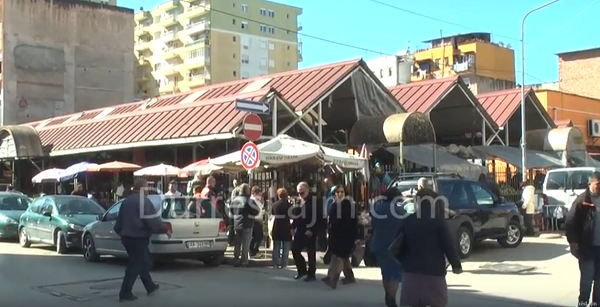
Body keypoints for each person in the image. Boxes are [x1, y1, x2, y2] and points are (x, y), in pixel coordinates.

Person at [398, 178, 462, 307]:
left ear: (417, 201)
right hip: (434, 273)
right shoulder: (438, 222)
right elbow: (448, 246)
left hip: (411, 273)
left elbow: (398, 244)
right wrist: (456, 265)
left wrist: (403, 261)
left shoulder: (407, 220)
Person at [113, 179, 171, 302]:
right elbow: (152, 221)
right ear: (142, 189)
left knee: (142, 262)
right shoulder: (144, 202)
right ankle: (125, 292)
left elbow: (118, 223)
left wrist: (123, 233)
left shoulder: (126, 202)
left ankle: (150, 286)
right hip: (138, 238)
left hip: (127, 238)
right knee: (135, 265)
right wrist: (165, 229)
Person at [565, 171, 600, 307]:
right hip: (586, 248)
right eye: (598, 184)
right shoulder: (582, 201)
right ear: (590, 184)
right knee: (586, 279)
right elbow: (570, 224)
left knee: (599, 280)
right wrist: (574, 245)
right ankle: (583, 303)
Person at [370, 186, 407, 307]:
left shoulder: (377, 208)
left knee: (385, 272)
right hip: (394, 247)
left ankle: (388, 296)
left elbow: (373, 225)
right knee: (395, 274)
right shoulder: (400, 211)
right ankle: (391, 298)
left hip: (379, 244)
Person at [323, 185, 358, 289]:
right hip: (339, 235)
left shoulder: (347, 205)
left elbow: (351, 221)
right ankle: (349, 277)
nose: (340, 194)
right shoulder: (337, 204)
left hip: (343, 235)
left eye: (342, 192)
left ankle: (333, 279)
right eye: (337, 192)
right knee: (344, 257)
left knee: (338, 258)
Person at [291, 182, 318, 282]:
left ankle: (311, 274)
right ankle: (301, 270)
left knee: (310, 252)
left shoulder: (314, 201)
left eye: (302, 193)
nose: (300, 195)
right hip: (300, 229)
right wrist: (292, 226)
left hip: (310, 229)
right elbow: (296, 215)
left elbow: (318, 216)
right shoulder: (298, 201)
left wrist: (312, 230)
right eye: (298, 193)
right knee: (295, 249)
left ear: (307, 190)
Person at [230, 183, 258, 267]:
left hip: (237, 223)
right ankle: (244, 260)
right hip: (247, 223)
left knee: (237, 243)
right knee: (246, 243)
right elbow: (256, 211)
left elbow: (231, 211)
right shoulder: (249, 200)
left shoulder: (234, 200)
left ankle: (236, 259)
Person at [271, 188, 292, 268]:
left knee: (276, 246)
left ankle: (275, 263)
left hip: (277, 225)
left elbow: (272, 213)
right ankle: (284, 263)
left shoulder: (274, 205)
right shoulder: (289, 206)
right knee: (286, 247)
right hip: (286, 226)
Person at [249, 186, 265, 256]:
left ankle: (254, 249)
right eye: (259, 194)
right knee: (257, 236)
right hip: (255, 220)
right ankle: (253, 250)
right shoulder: (252, 200)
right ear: (255, 193)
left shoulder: (257, 200)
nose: (260, 196)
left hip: (258, 219)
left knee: (259, 236)